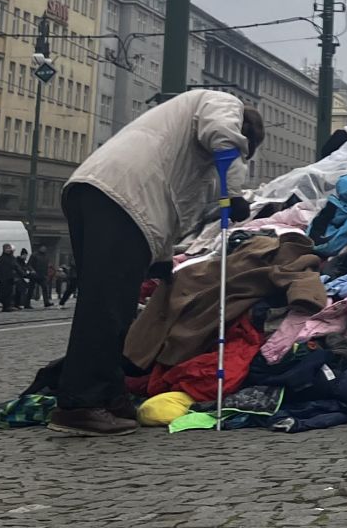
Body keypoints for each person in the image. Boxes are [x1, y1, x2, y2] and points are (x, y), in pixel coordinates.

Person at [48, 88, 262, 438]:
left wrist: (162, 257)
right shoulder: (224, 104)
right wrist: (234, 194)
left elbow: (174, 208)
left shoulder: (190, 153)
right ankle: (80, 404)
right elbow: (225, 137)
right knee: (106, 307)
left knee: (112, 304)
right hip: (121, 195)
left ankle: (110, 396)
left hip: (104, 193)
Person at [0, 245, 20, 312]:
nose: (8, 250)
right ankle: (5, 306)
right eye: (7, 248)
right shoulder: (1, 258)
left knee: (9, 293)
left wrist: (22, 273)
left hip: (10, 277)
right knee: (4, 293)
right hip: (3, 278)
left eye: (9, 248)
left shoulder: (12, 258)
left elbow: (17, 267)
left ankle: (5, 305)